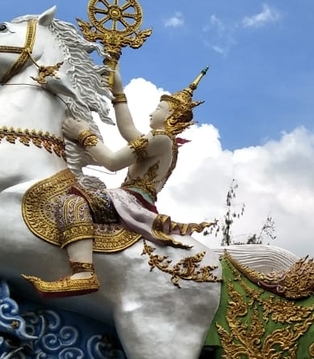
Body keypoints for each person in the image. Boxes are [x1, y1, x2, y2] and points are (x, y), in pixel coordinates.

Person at [26, 67, 212, 298]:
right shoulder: (163, 142)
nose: (152, 113)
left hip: (130, 198)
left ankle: (83, 274)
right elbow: (128, 131)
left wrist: (83, 134)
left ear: (171, 117)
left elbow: (112, 162)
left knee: (73, 201)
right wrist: (118, 92)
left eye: (158, 109)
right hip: (132, 197)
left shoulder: (162, 138)